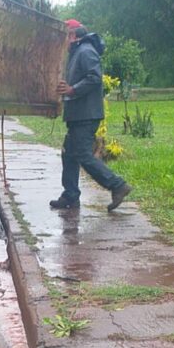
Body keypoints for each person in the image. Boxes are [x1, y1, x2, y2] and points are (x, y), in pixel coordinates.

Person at [49, 19, 132, 212]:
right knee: (68, 154)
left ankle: (117, 185)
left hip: (86, 115)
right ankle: (70, 195)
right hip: (79, 114)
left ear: (73, 36)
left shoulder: (85, 51)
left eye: (65, 36)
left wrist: (72, 90)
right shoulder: (78, 52)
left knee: (83, 155)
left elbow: (94, 78)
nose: (64, 41)